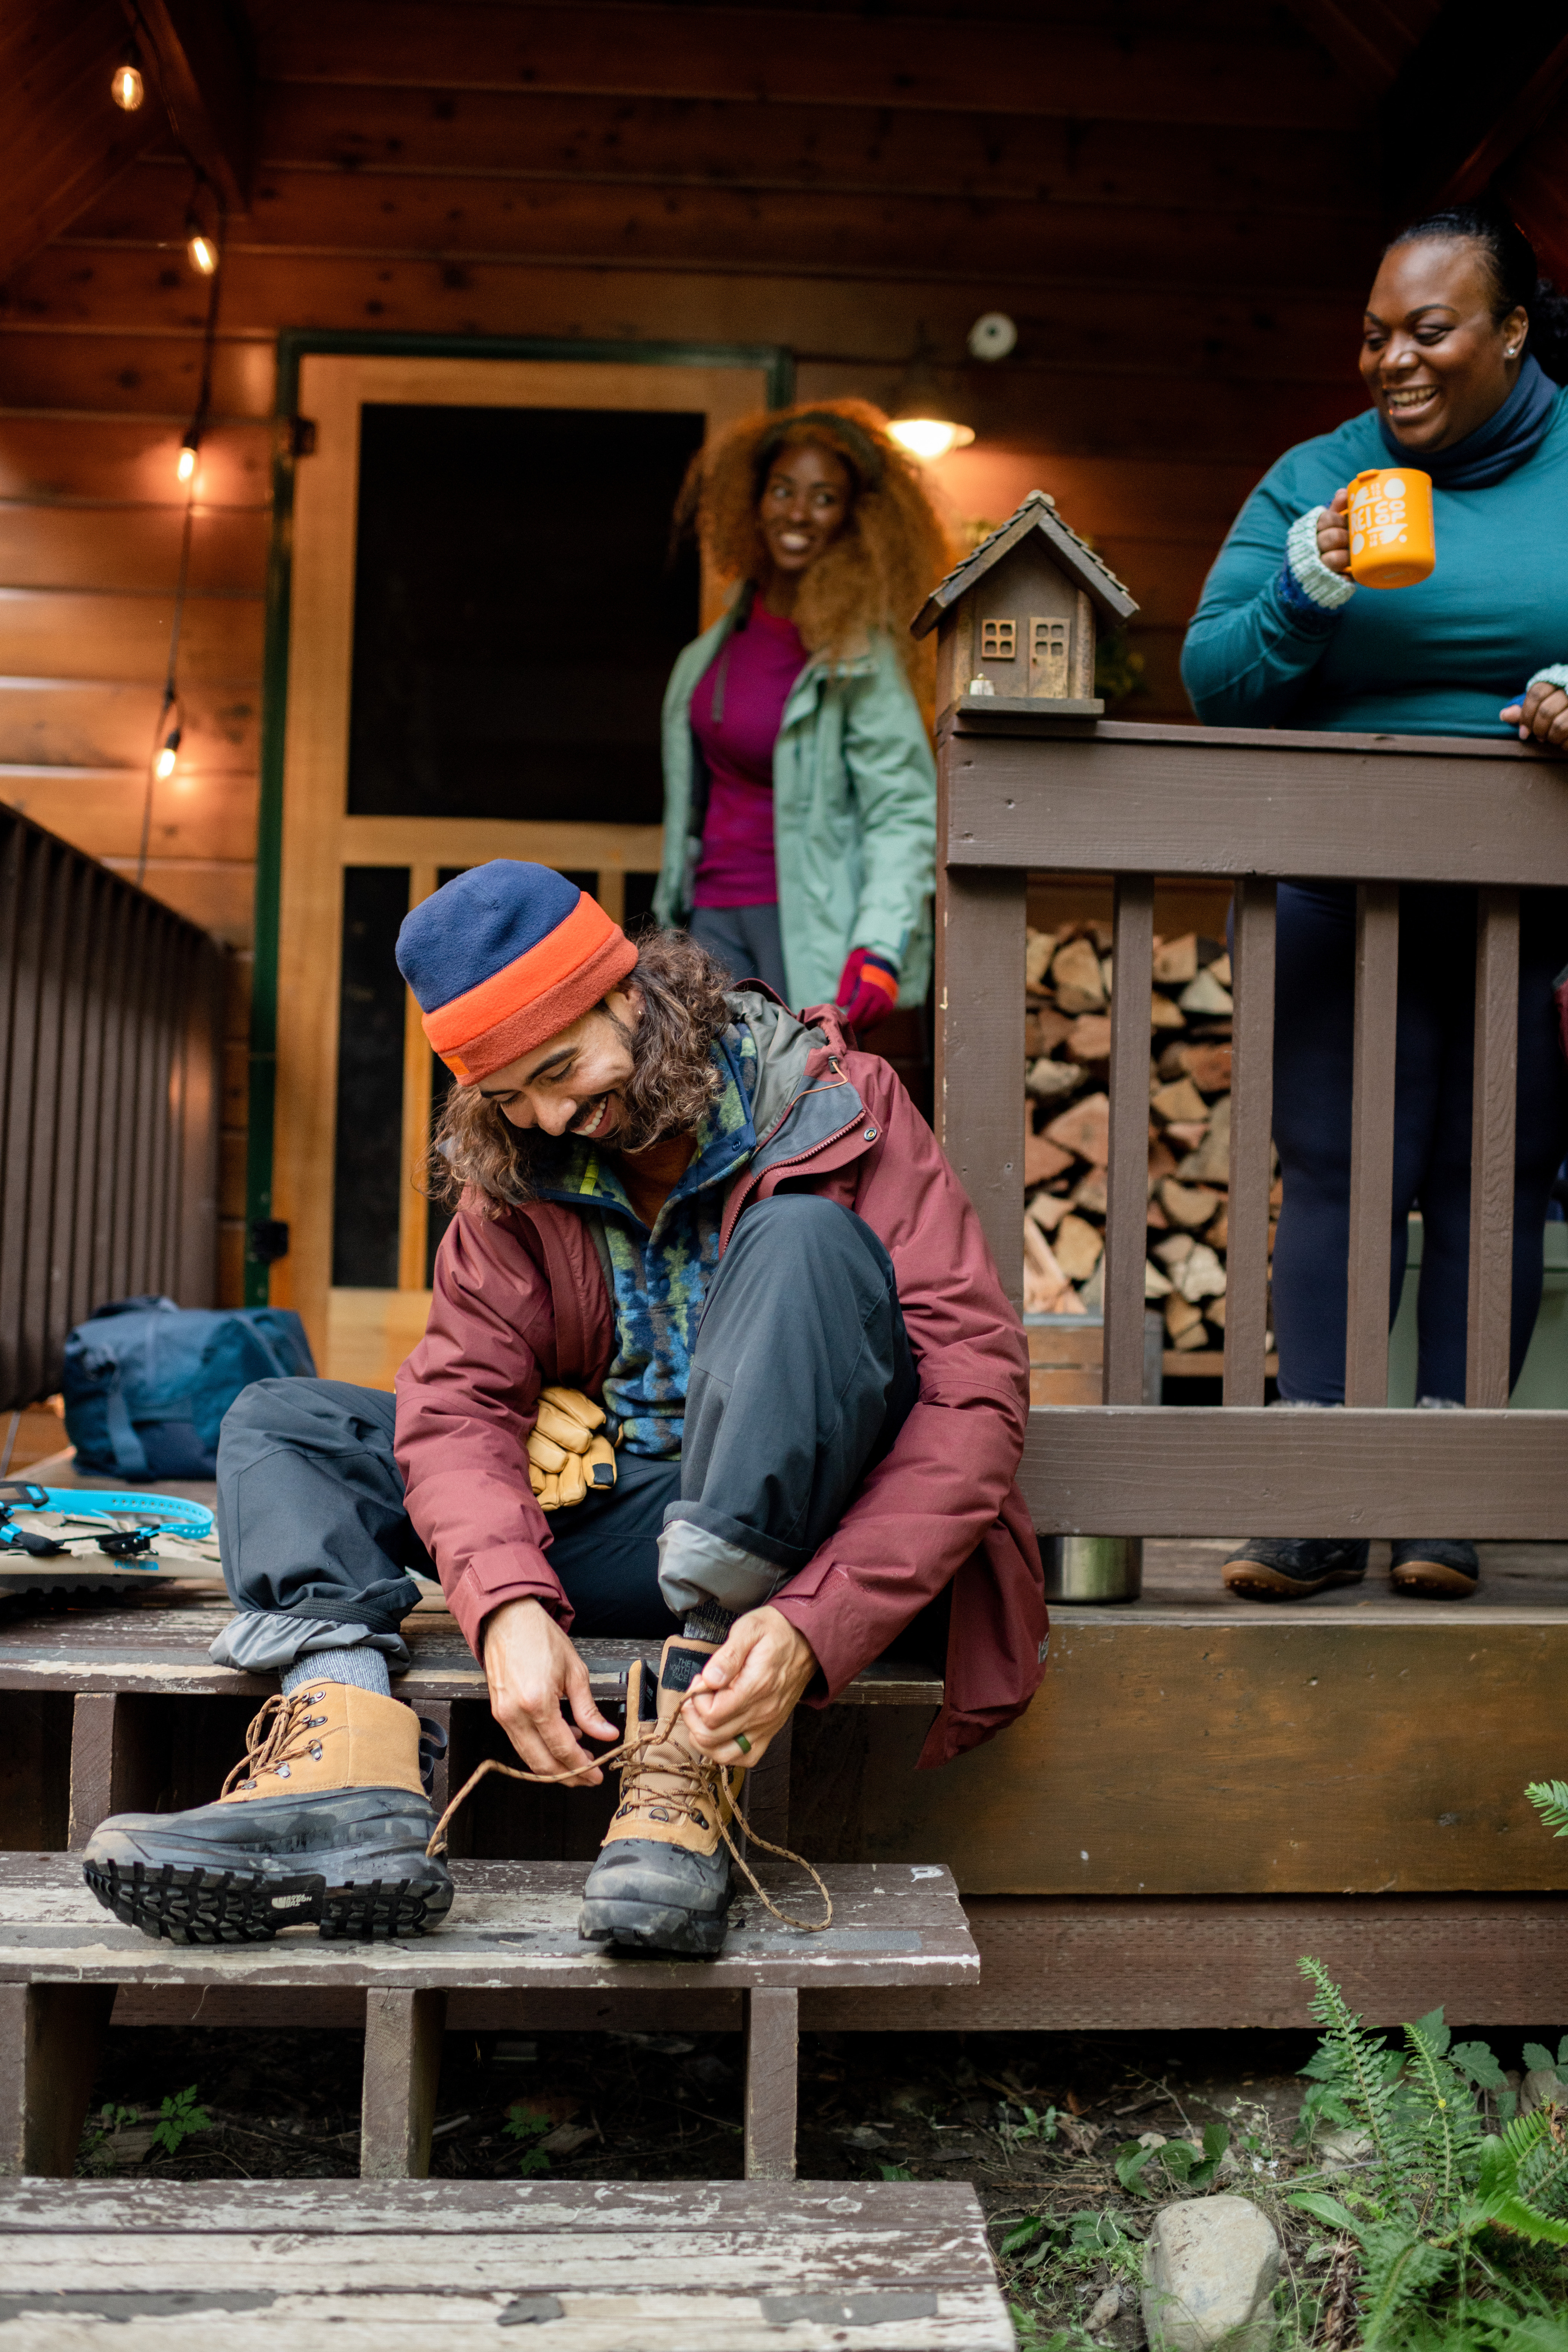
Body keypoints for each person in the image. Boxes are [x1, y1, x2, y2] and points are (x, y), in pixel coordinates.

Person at [82, 864, 1045, 1950]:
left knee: (806, 1241)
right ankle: (348, 1768)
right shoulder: (520, 1166)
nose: (550, 1117)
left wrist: (810, 1628)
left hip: (809, 1544)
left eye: (558, 1069)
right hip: (629, 1517)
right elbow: (454, 1404)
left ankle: (688, 1758)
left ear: (629, 993)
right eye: (506, 1097)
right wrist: (503, 1602)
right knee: (279, 1423)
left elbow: (972, 1395)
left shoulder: (840, 1106)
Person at [1181, 196, 1568, 1604]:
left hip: (1527, 899)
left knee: (1492, 1179)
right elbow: (1211, 679)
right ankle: (1309, 1498)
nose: (1390, 362)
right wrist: (1305, 588)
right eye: (1370, 337)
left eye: (1427, 332)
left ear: (1511, 332)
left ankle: (1444, 1502)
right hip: (1342, 885)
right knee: (1338, 1176)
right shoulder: (1317, 476)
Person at [654, 398, 949, 1032]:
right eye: (783, 490)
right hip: (707, 920)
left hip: (804, 929)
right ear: (753, 502)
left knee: (794, 1119)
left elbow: (902, 812)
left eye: (824, 497)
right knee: (708, 1115)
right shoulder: (719, 643)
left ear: (855, 519)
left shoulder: (857, 659)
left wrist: (880, 944)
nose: (797, 513)